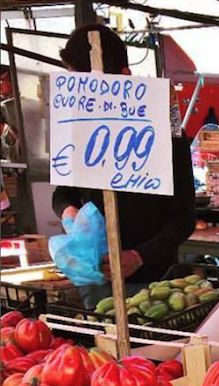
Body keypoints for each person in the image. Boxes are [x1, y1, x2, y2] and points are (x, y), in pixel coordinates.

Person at [52, 24, 196, 304]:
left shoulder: (168, 127)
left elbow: (184, 218)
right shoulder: (76, 128)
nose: (90, 98)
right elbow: (62, 194)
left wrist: (138, 256)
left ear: (125, 76)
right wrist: (70, 214)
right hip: (96, 281)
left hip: (157, 283)